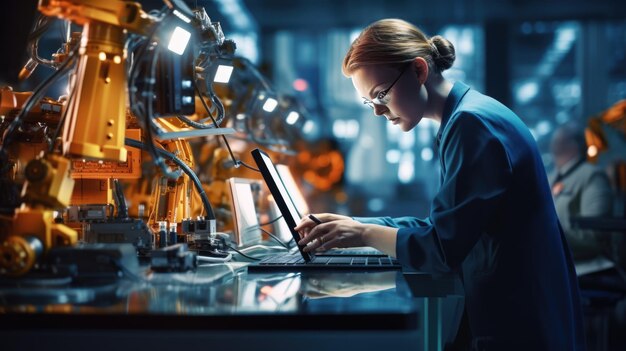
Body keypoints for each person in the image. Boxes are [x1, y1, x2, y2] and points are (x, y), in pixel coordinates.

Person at [295, 19, 585, 350]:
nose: (376, 110)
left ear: (419, 70)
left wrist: (362, 234)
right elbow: (446, 226)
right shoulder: (467, 115)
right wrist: (356, 225)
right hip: (519, 304)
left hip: (519, 318)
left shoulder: (471, 125)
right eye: (368, 102)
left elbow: (442, 247)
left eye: (380, 94)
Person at [549, 122, 614, 262]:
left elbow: (594, 237)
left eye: (561, 136)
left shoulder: (593, 176)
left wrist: (546, 230)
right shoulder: (550, 178)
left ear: (574, 144)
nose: (553, 140)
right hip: (557, 269)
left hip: (586, 272)